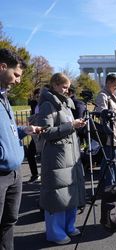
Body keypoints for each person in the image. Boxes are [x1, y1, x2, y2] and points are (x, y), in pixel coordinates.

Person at [0, 48, 43, 250]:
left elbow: (7, 130)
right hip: (1, 174)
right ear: (2, 67)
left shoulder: (4, 97)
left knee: (9, 224)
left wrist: (23, 130)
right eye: (16, 75)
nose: (18, 80)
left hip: (15, 173)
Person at [36, 73, 86, 245]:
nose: (67, 90)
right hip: (57, 157)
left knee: (70, 193)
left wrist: (74, 125)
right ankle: (56, 232)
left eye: (67, 87)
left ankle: (68, 226)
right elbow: (44, 132)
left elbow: (63, 128)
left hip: (69, 155)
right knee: (57, 196)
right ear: (54, 85)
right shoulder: (48, 104)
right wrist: (71, 125)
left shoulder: (64, 103)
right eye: (64, 87)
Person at [94, 74, 116, 230]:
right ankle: (108, 192)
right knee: (109, 166)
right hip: (109, 137)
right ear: (109, 82)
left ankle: (109, 188)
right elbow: (102, 113)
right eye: (115, 84)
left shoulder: (113, 95)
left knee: (111, 164)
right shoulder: (102, 95)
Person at [27, 88, 41, 182]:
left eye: (39, 95)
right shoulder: (35, 105)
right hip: (36, 133)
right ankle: (35, 175)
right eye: (36, 95)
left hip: (44, 133)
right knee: (29, 154)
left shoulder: (46, 105)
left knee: (45, 156)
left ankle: (48, 176)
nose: (38, 97)